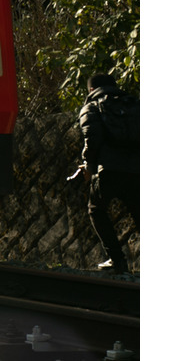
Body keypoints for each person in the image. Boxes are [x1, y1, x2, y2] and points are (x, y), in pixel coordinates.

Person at [76, 73, 140, 273]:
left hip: (109, 169)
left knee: (96, 209)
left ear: (91, 90)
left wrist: (88, 165)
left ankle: (116, 259)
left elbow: (92, 139)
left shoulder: (91, 107)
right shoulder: (135, 104)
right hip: (138, 168)